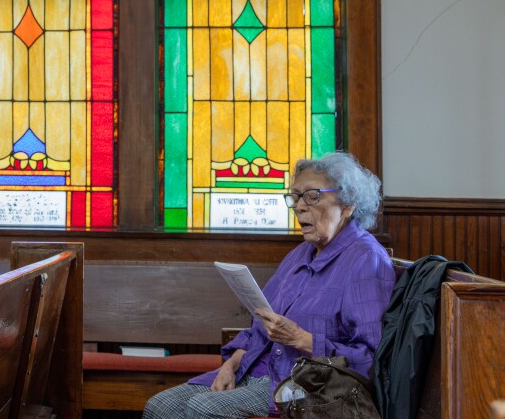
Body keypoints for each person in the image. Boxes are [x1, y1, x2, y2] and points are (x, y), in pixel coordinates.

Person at [143, 152, 396, 418]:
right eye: (295, 197)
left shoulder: (366, 260)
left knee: (203, 409)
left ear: (348, 205)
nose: (299, 206)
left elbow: (372, 358)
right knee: (161, 407)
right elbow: (259, 330)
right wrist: (230, 364)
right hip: (255, 368)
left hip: (305, 386)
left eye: (312, 196)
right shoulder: (301, 253)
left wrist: (302, 339)